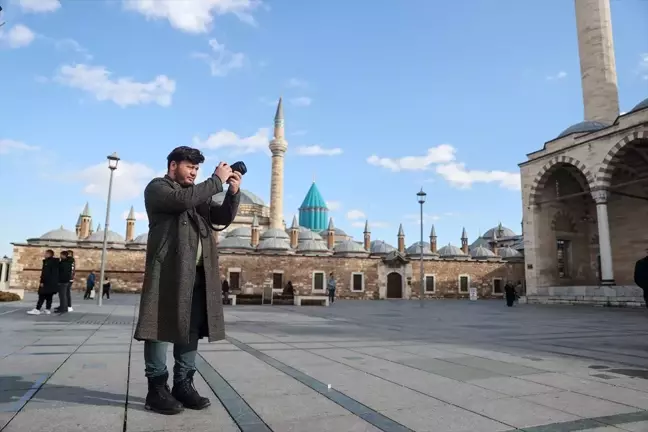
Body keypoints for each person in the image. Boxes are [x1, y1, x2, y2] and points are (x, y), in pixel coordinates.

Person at [134, 146, 241, 415]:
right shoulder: (158, 189)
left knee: (190, 329)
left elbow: (221, 218)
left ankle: (184, 384)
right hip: (168, 273)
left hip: (197, 275)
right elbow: (181, 201)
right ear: (173, 166)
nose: (193, 172)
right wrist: (215, 181)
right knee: (158, 328)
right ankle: (157, 389)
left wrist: (232, 192)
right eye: (189, 167)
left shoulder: (198, 197)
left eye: (196, 169)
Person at [27, 250, 59, 315]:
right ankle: (47, 309)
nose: (44, 255)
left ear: (49, 254)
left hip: (47, 282)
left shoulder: (48, 262)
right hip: (53, 283)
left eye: (46, 253)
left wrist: (42, 281)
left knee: (42, 295)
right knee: (49, 296)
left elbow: (45, 273)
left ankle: (37, 309)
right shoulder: (55, 262)